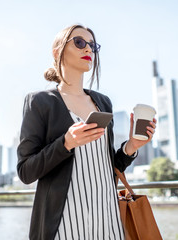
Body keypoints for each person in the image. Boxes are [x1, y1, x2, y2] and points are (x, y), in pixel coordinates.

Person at [17, 24, 156, 240]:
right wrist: (66, 143)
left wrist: (131, 147)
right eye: (80, 42)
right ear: (57, 52)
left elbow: (108, 168)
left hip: (108, 221)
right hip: (64, 225)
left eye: (93, 45)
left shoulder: (103, 102)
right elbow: (26, 171)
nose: (88, 49)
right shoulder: (40, 102)